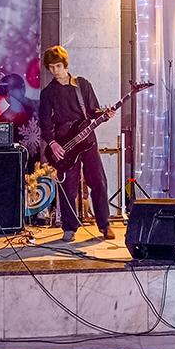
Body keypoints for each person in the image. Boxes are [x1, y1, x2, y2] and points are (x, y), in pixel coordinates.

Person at [38, 45, 115, 242]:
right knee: (68, 186)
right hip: (64, 143)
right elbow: (44, 122)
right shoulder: (48, 93)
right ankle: (69, 227)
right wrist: (52, 143)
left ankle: (104, 224)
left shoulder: (82, 84)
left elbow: (93, 110)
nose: (55, 71)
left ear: (65, 64)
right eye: (51, 67)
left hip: (87, 140)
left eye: (57, 66)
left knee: (98, 181)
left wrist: (104, 114)